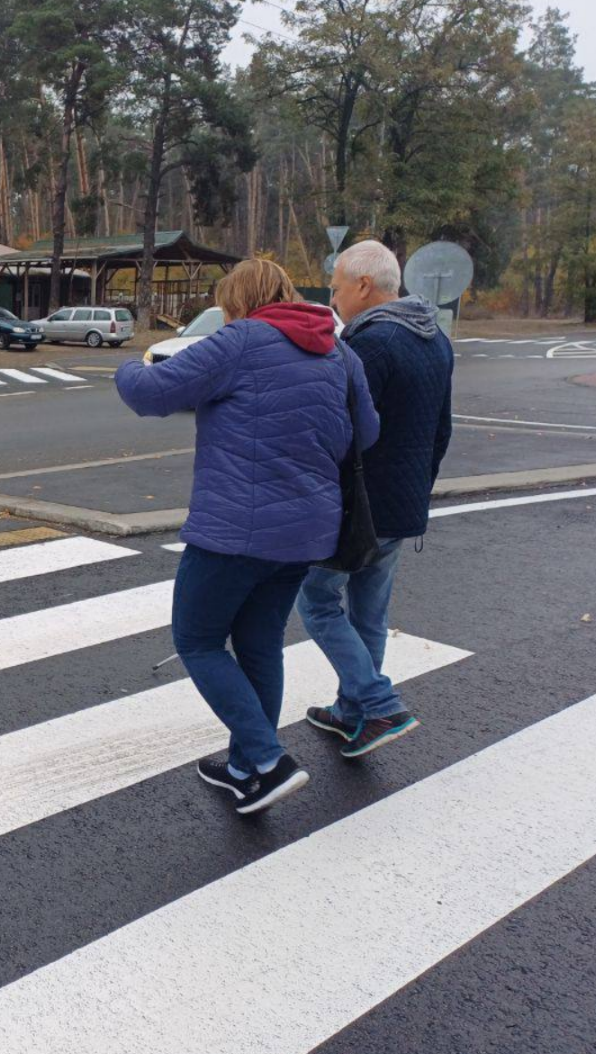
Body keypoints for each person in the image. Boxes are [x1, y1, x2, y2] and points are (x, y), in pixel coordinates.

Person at [115, 259, 379, 815]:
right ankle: (244, 770)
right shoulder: (339, 349)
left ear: (237, 302)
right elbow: (369, 430)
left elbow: (152, 393)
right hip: (308, 534)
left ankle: (268, 759)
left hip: (234, 530)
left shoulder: (241, 340)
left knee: (198, 641)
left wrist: (127, 366)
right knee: (259, 643)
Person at [296, 240, 454, 757]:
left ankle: (378, 703)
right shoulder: (435, 339)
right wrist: (418, 493)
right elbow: (442, 431)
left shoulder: (372, 345)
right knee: (368, 614)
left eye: (337, 287)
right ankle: (351, 714)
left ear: (364, 285)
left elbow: (341, 434)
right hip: (403, 505)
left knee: (318, 601)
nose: (334, 299)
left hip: (360, 508)